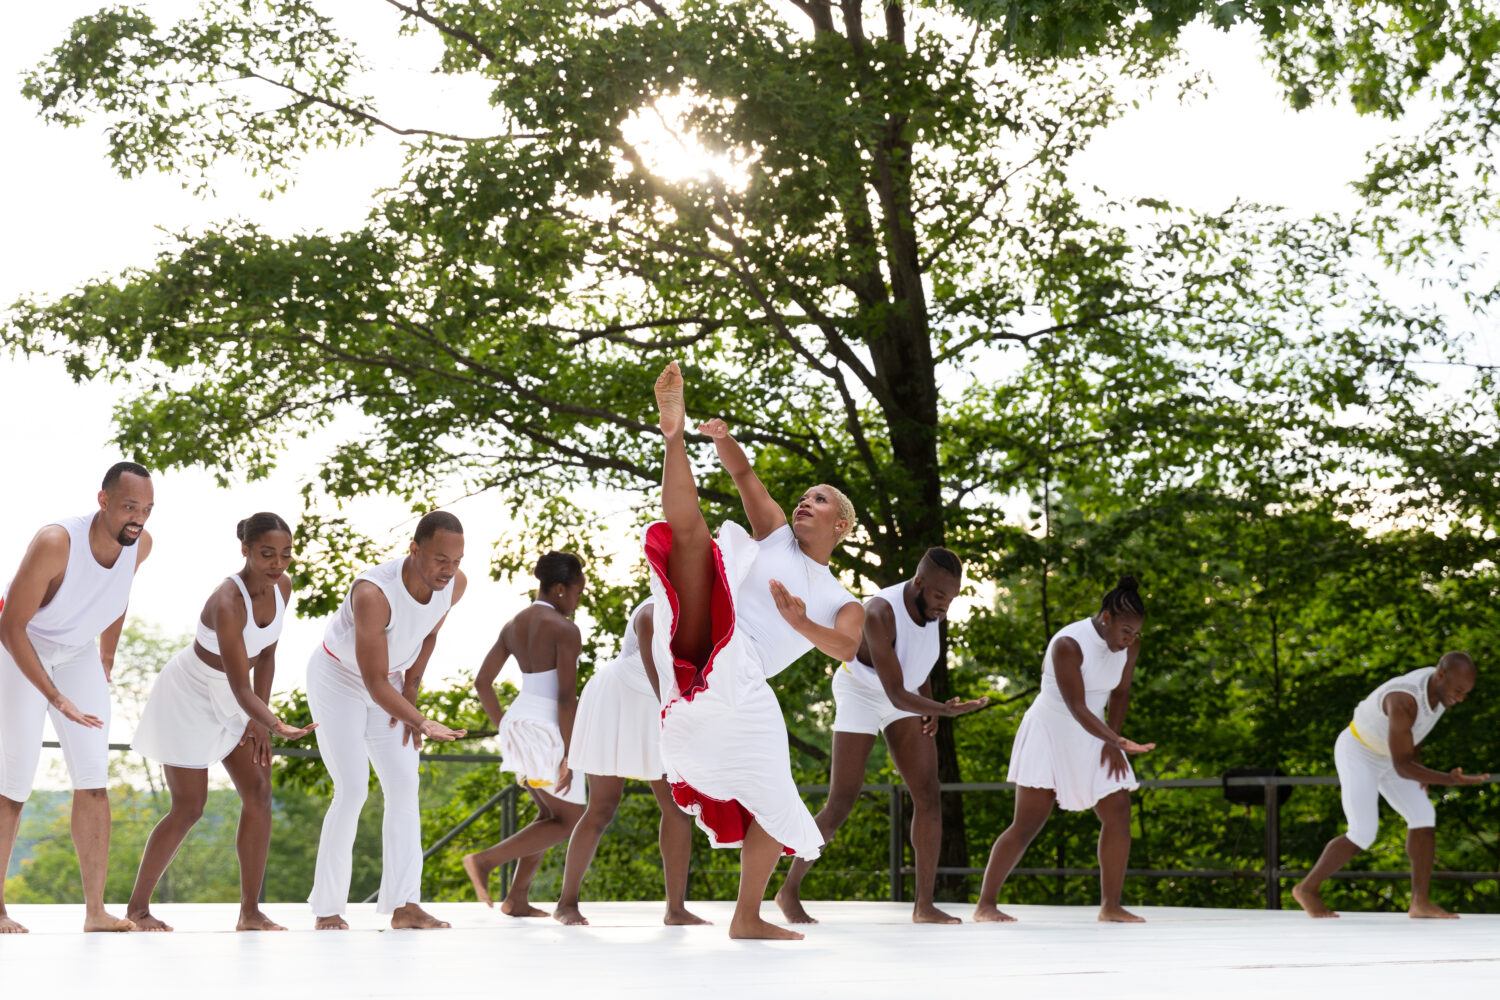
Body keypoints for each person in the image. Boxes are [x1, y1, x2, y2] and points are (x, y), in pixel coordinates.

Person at [646, 364, 864, 940]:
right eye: (804, 496)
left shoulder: (839, 598)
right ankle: (673, 435)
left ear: (840, 525)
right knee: (691, 537)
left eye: (818, 500)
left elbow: (846, 646)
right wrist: (720, 439)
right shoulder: (775, 536)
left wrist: (799, 621)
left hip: (737, 684)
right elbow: (745, 476)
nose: (803, 503)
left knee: (776, 800)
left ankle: (747, 917)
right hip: (709, 640)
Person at [775, 549, 988, 925]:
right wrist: (942, 708)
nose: (946, 606)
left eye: (952, 598)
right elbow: (893, 691)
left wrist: (928, 704)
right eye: (941, 597)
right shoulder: (879, 611)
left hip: (906, 694)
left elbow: (918, 658)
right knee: (841, 800)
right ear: (919, 583)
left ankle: (924, 905)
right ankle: (788, 891)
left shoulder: (934, 608)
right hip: (863, 690)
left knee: (928, 795)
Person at [127, 513, 317, 931]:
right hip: (191, 695)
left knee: (259, 790)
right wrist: (273, 722)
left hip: (241, 697)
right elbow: (239, 686)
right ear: (245, 550)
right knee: (189, 807)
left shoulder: (283, 588)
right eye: (267, 554)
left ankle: (250, 913)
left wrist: (261, 722)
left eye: (285, 554)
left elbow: (266, 654)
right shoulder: (227, 602)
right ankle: (137, 909)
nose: (277, 564)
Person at [0, 461, 154, 934]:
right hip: (20, 650)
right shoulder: (56, 542)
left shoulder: (140, 544)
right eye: (130, 506)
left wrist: (106, 653)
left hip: (78, 654)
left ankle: (95, 912)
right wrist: (55, 696)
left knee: (93, 779)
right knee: (13, 784)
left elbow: (116, 593)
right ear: (103, 500)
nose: (139, 519)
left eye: (147, 509)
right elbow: (10, 626)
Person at [307, 511, 469, 930]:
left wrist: (413, 688)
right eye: (439, 559)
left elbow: (430, 632)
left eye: (455, 561)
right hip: (338, 678)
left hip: (393, 681)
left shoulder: (454, 584)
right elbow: (374, 682)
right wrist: (422, 720)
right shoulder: (373, 593)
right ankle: (328, 908)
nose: (447, 570)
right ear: (414, 549)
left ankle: (405, 905)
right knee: (353, 788)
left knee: (404, 784)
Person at [973, 577, 1156, 924]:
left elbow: (1120, 693)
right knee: (1028, 822)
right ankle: (986, 904)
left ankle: (1111, 906)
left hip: (1098, 732)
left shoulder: (1130, 647)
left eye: (1135, 634)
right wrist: (1115, 741)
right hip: (1052, 730)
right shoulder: (1069, 643)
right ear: (1106, 618)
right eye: (1125, 631)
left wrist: (1113, 740)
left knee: (1118, 810)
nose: (1130, 640)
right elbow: (1077, 706)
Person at [1293, 653, 1486, 919]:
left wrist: (1421, 771)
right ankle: (1307, 888)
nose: (1461, 698)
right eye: (1458, 691)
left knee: (1423, 816)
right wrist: (1447, 779)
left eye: (1466, 692)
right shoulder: (1403, 699)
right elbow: (1402, 765)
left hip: (1393, 756)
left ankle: (1420, 903)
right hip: (1359, 751)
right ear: (1441, 675)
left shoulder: (1442, 691)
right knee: (1363, 832)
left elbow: (1414, 733)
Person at [552, 599, 709, 927]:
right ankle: (566, 903)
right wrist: (678, 716)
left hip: (660, 702)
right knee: (602, 808)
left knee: (677, 807)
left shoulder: (702, 607)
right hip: (621, 698)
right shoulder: (652, 612)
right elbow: (658, 679)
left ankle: (676, 909)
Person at [461, 552, 588, 917]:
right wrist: (570, 752)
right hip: (547, 728)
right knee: (568, 818)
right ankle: (484, 861)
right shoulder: (565, 629)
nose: (578, 601)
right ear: (561, 589)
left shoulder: (513, 624)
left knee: (548, 815)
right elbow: (565, 697)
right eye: (578, 592)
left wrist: (505, 725)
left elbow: (482, 683)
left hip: (519, 722)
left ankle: (516, 898)